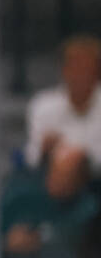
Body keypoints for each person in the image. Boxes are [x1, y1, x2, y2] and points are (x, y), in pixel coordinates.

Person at [23, 34, 101, 172]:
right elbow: (32, 157)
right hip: (51, 174)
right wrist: (44, 150)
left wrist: (72, 155)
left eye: (87, 68)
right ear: (64, 70)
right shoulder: (43, 105)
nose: (80, 75)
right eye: (75, 68)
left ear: (97, 73)